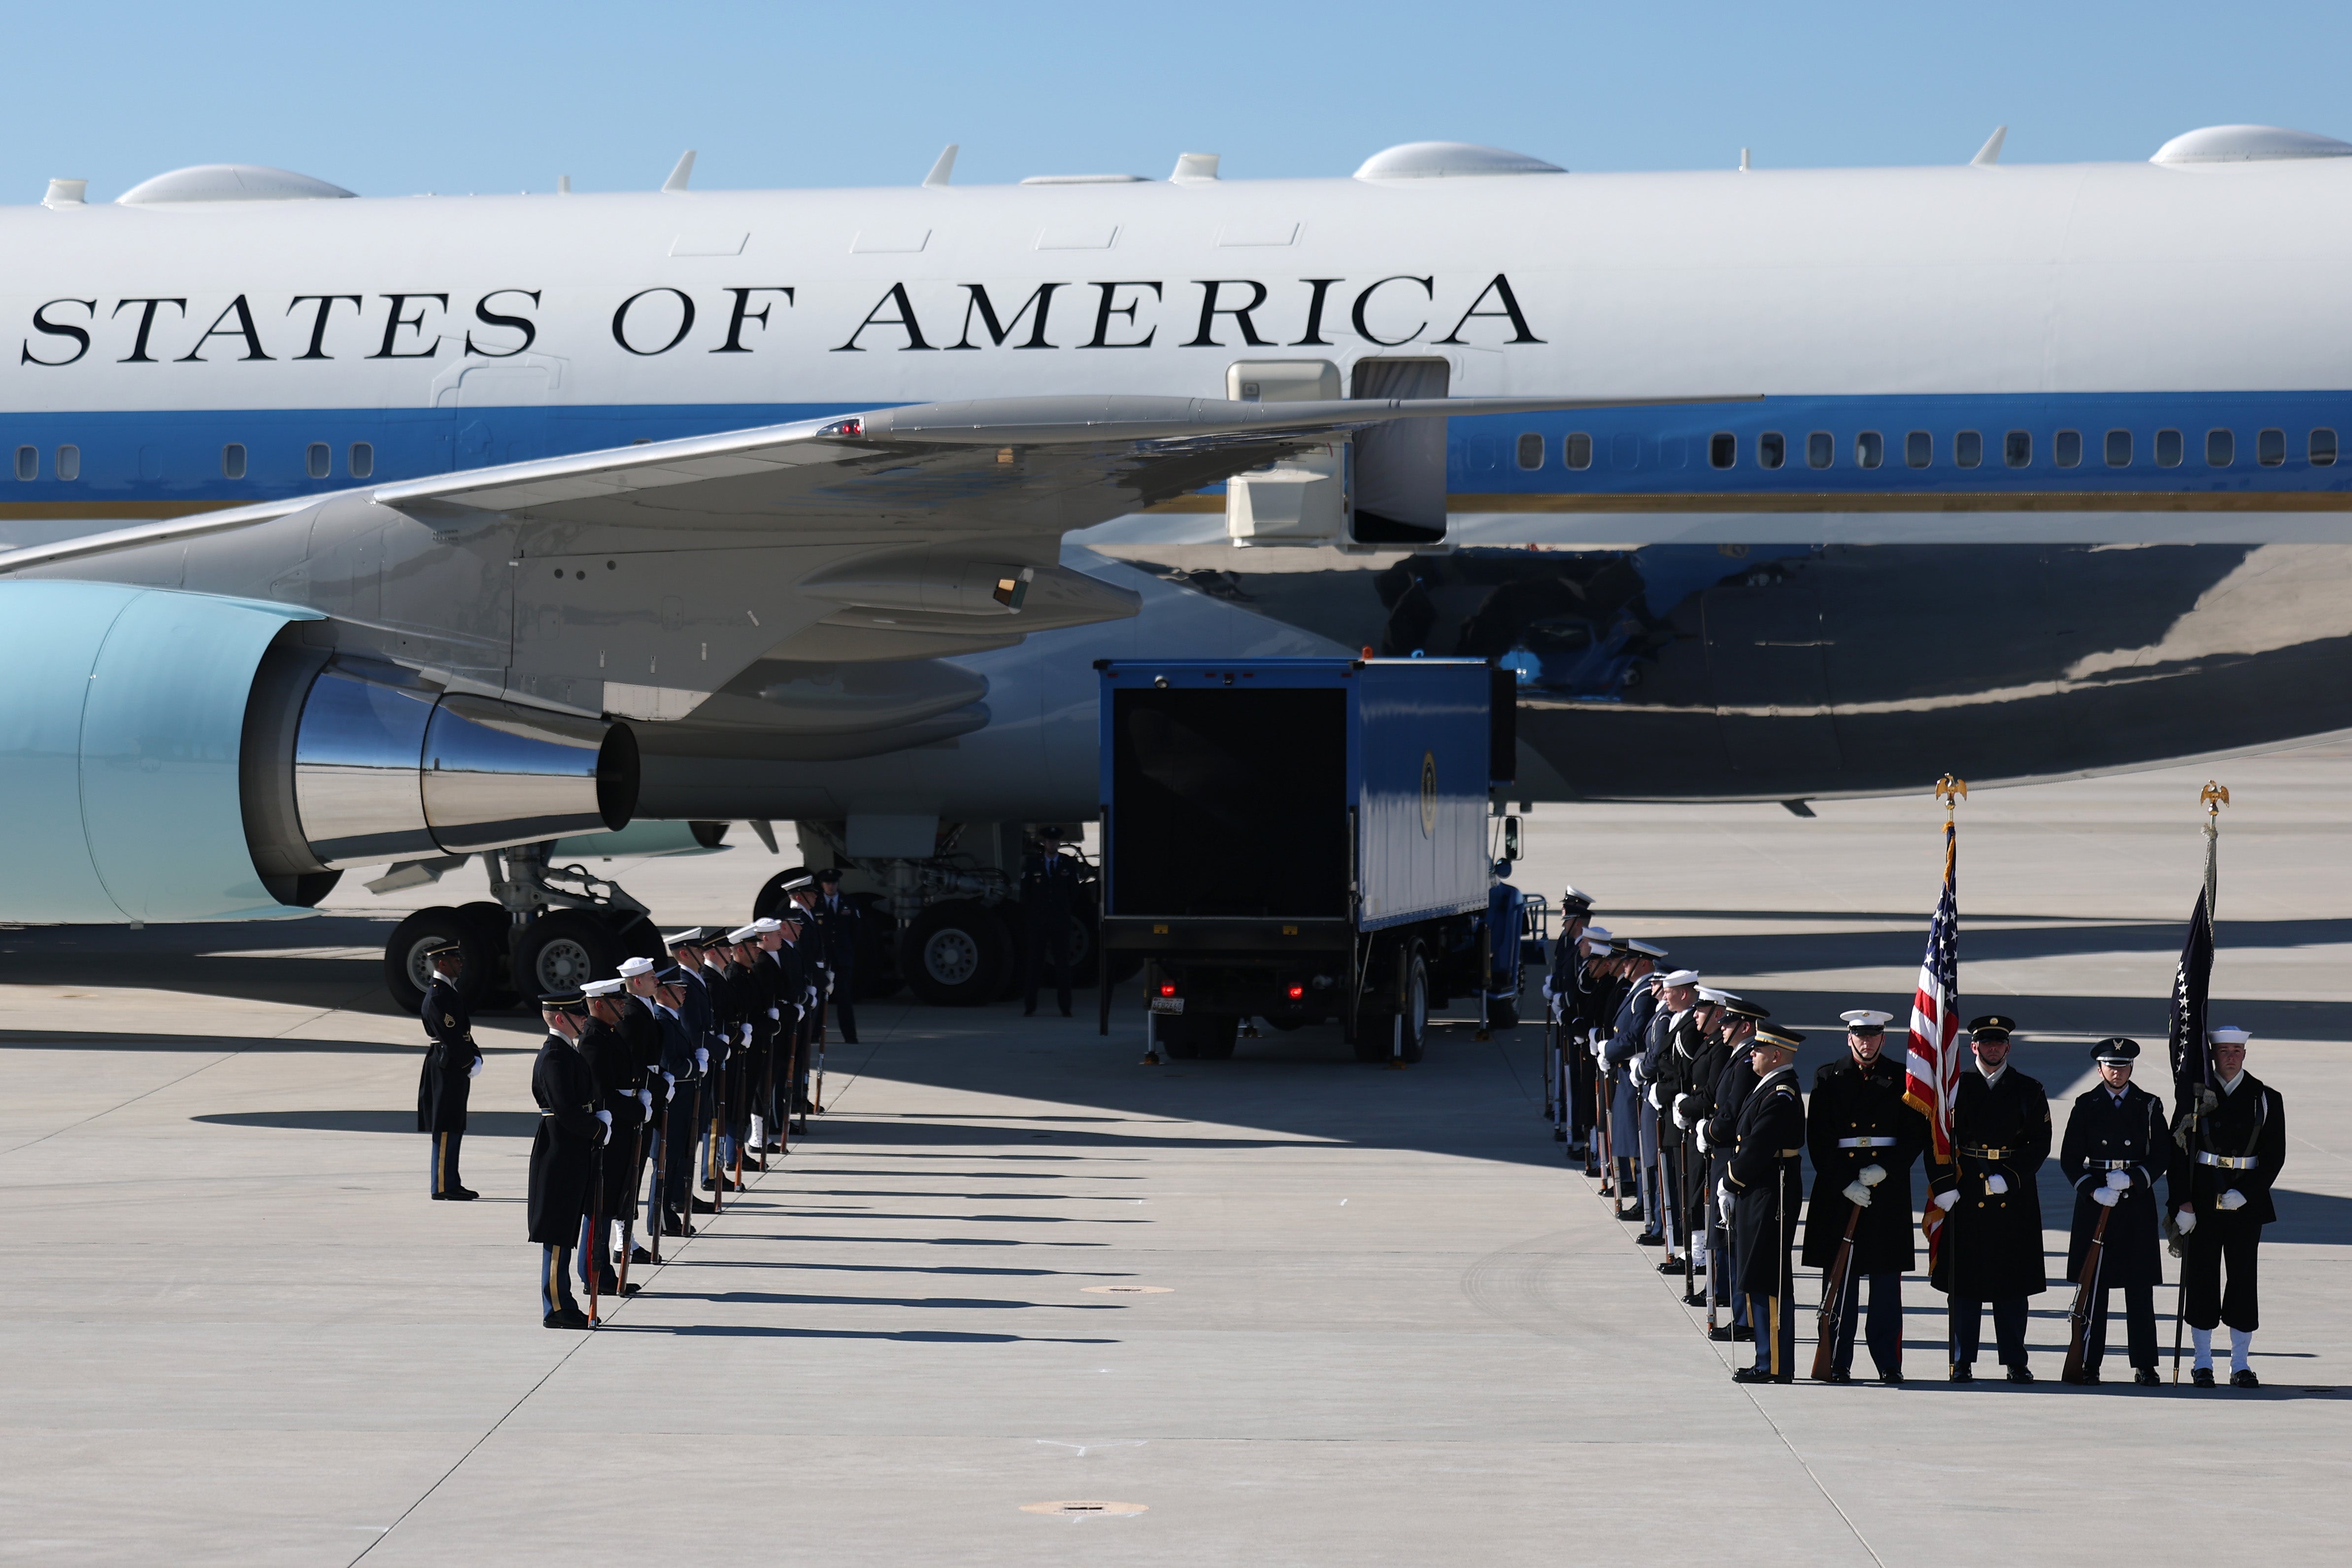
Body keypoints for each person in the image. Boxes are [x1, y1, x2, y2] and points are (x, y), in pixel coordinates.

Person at [1803, 1009, 1925, 1384]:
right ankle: (1839, 1359)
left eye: (1873, 1035)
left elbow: (1915, 1132)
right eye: (1860, 1035)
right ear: (1849, 1037)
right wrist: (1844, 1181)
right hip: (1840, 1190)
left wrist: (1887, 1167)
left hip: (1885, 1188)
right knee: (1841, 1279)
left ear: (1883, 1039)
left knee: (1886, 1282)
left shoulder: (1902, 1077)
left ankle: (1888, 1360)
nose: (1867, 1042)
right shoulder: (1827, 1076)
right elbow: (1818, 1139)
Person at [1927, 1014, 2051, 1383]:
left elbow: (2040, 1143)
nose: (1994, 1048)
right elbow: (1936, 1137)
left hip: (2013, 1194)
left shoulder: (2029, 1088)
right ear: (1974, 1046)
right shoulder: (1955, 1087)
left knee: (2012, 1284)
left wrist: (2011, 1178)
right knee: (1964, 1284)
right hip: (1965, 1191)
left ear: (2008, 1047)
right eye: (1987, 1042)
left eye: (2000, 1042)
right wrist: (1944, 1184)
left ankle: (2016, 1360)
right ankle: (1961, 1360)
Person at [2169, 1025, 2288, 1388]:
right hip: (2204, 1197)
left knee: (2242, 1280)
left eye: (2238, 1050)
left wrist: (2249, 1191)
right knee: (2201, 1278)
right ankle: (2202, 1362)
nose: (2232, 1057)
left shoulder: (2265, 1097)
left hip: (2244, 1202)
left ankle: (2241, 1363)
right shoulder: (2195, 1097)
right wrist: (2181, 1202)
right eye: (2225, 1051)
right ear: (2214, 1056)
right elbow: (2177, 1153)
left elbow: (2274, 1156)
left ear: (2245, 1055)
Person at [2057, 1037, 2169, 1385]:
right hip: (2098, 1202)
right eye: (2111, 1065)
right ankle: (2089, 1362)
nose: (2117, 1072)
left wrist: (2135, 1178)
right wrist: (2094, 1188)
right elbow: (2070, 1159)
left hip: (2135, 1203)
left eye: (2122, 1066)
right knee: (2094, 1286)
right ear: (2100, 1067)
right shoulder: (2085, 1104)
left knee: (2139, 1289)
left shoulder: (2148, 1105)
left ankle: (2146, 1364)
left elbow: (2161, 1155)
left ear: (2131, 1067)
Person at [1722, 1024, 1806, 1383]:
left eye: (1759, 1049)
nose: (1752, 1054)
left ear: (1776, 1055)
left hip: (1771, 1189)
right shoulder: (1770, 1087)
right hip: (1760, 1189)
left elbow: (1757, 1146)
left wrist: (1730, 1180)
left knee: (1768, 1276)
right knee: (1758, 1273)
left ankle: (1771, 1363)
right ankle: (1767, 1358)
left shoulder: (1781, 1094)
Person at [529, 990, 608, 1330]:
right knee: (558, 1231)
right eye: (580, 1014)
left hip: (571, 1149)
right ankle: (557, 1306)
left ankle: (564, 1300)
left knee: (566, 1229)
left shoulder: (566, 1053)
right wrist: (598, 1129)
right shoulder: (555, 1057)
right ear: (561, 1018)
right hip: (559, 1150)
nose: (586, 1019)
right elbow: (565, 1109)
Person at [1698, 998, 1768, 1340]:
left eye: (1728, 1023)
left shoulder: (1744, 1062)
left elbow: (1731, 1116)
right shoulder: (1738, 1057)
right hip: (1723, 1156)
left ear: (1744, 1026)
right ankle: (1739, 1312)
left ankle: (1744, 1320)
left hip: (1730, 1158)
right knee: (1729, 1239)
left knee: (1736, 1240)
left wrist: (1707, 1130)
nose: (1721, 1027)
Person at [578, 979, 647, 1297]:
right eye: (615, 1000)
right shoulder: (593, 1040)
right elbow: (602, 1094)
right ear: (598, 1004)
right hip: (608, 1132)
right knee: (599, 1206)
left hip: (621, 1129)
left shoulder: (609, 1034)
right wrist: (634, 1107)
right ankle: (593, 1270)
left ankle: (602, 1270)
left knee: (609, 1204)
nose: (622, 1004)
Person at [1602, 939, 1666, 1221]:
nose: (1623, 965)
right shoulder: (1638, 991)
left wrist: (1609, 1049)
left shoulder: (1644, 995)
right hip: (1627, 1076)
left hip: (1635, 1077)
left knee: (1642, 1147)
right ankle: (1644, 1201)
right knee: (1634, 1143)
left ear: (1643, 963)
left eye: (1628, 961)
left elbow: (1635, 1036)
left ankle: (1646, 1203)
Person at [416, 940, 482, 1201]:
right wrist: (469, 1062)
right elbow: (451, 1035)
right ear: (442, 963)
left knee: (454, 1121)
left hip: (453, 1062)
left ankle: (451, 1182)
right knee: (445, 1124)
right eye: (456, 960)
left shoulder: (448, 991)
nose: (461, 963)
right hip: (447, 1063)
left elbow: (462, 1034)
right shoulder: (439, 995)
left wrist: (475, 1055)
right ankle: (442, 1185)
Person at [1021, 827, 1083, 1018]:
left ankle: (1065, 1007)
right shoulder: (1033, 864)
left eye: (1055, 841)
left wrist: (1061, 909)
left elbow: (1074, 892)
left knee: (1062, 964)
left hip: (1060, 921)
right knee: (1035, 964)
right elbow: (1026, 893)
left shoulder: (1067, 864)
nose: (1052, 844)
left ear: (1059, 843)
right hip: (1039, 921)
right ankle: (1030, 1007)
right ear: (1044, 843)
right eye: (1048, 841)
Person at [812, 867, 863, 1045]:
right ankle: (814, 1035)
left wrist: (847, 951)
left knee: (845, 999)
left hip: (842, 959)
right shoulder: (816, 904)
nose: (831, 886)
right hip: (823, 960)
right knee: (818, 998)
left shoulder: (848, 903)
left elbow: (855, 932)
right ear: (822, 884)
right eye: (828, 883)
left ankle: (850, 1036)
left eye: (834, 883)